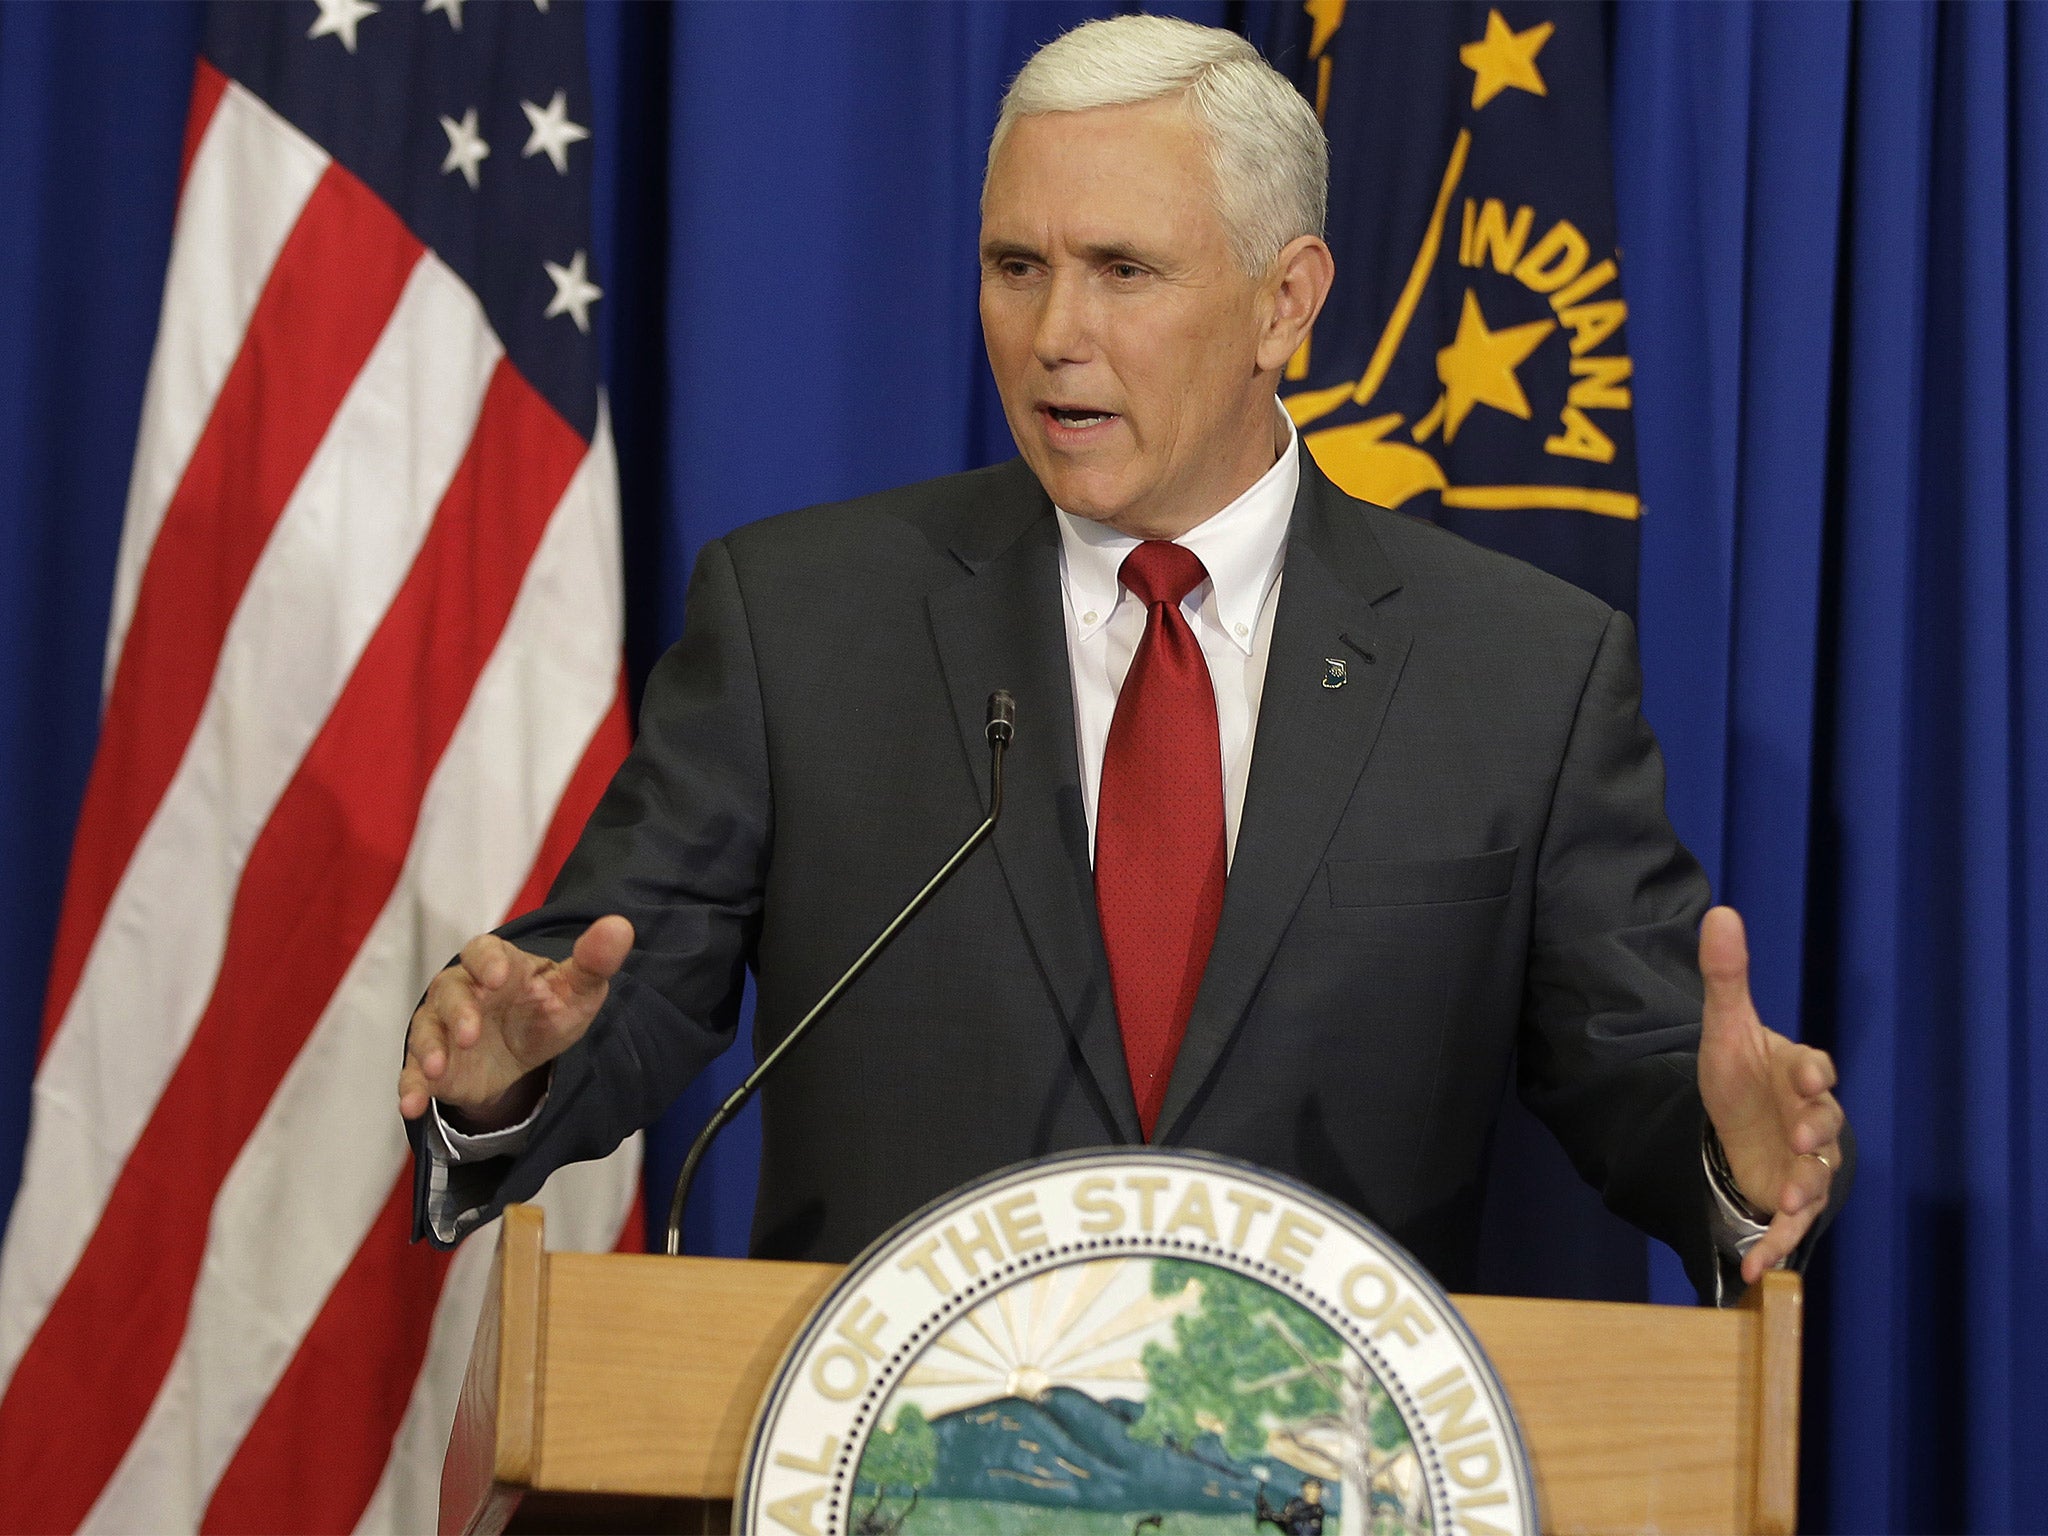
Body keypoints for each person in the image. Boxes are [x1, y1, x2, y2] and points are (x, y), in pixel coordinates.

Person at [398, 16, 1846, 1300]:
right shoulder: (802, 617)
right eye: (1016, 266)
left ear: (1287, 301)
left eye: (1122, 271)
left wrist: (1733, 1147)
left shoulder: (1521, 670)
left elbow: (1637, 1073)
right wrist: (511, 1071)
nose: (1054, 336)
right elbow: (621, 986)